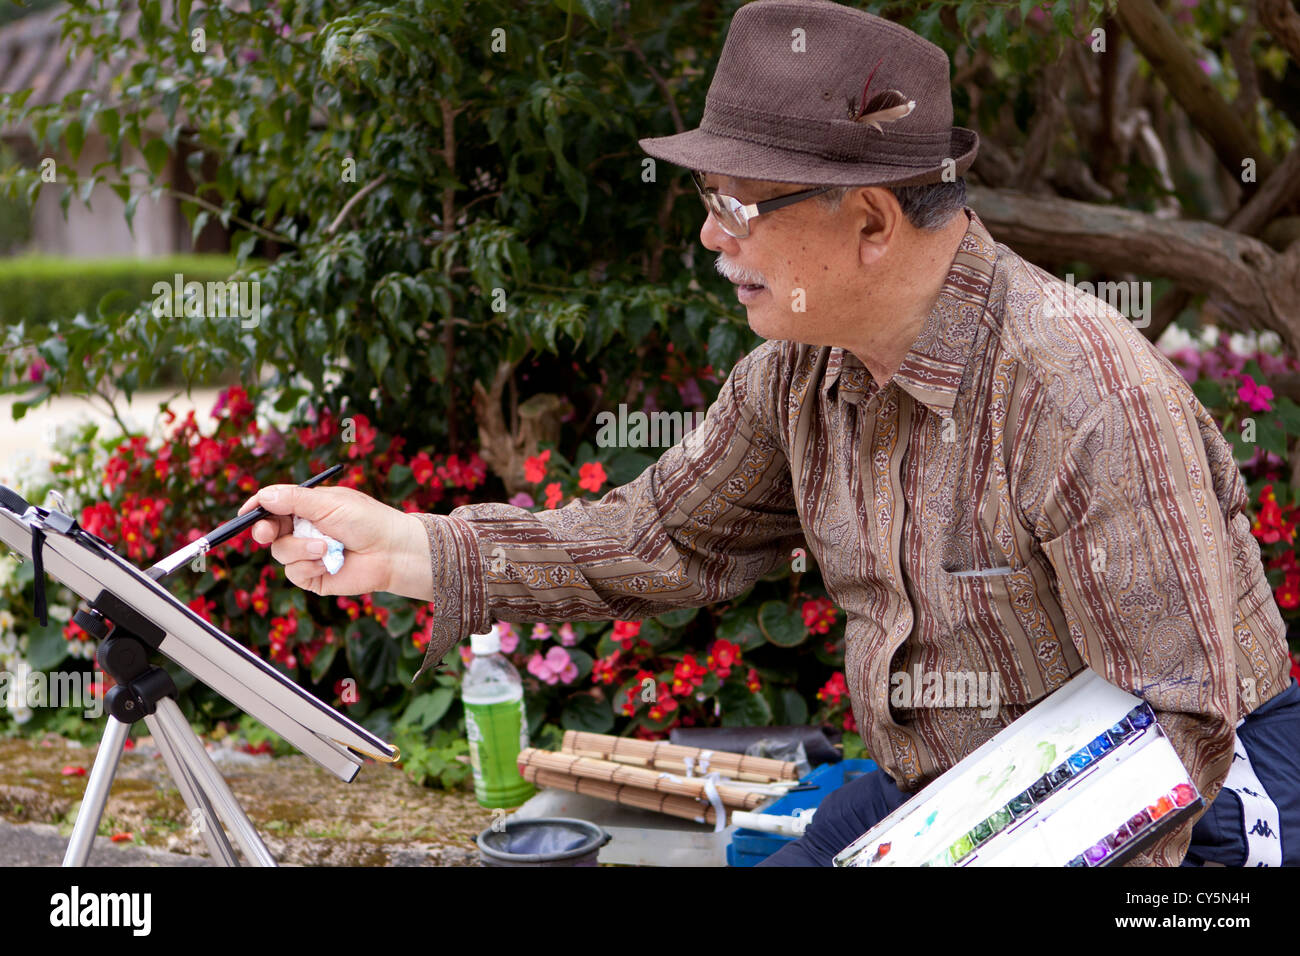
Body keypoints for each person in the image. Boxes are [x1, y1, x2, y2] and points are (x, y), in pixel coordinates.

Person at [239, 0, 1299, 866]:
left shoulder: (1080, 394)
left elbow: (1177, 731)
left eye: (736, 205)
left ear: (874, 222)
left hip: (1185, 812)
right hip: (948, 787)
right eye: (707, 198)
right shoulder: (799, 375)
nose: (709, 235)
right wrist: (398, 545)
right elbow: (655, 539)